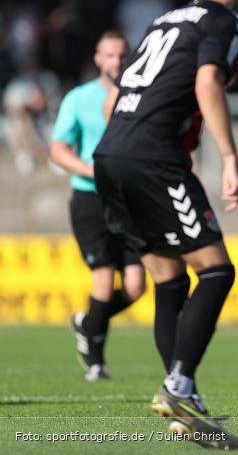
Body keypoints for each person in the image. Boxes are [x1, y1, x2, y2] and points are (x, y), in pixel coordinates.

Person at [93, 0, 238, 450]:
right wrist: (230, 160)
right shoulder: (224, 21)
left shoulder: (164, 19)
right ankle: (179, 385)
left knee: (168, 280)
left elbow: (122, 90)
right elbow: (207, 83)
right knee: (218, 269)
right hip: (152, 157)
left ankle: (184, 404)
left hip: (111, 152)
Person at [50, 30, 146, 382]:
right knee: (103, 279)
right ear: (97, 59)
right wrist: (90, 169)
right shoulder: (78, 98)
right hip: (90, 197)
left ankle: (86, 323)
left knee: (136, 286)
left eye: (122, 55)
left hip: (128, 199)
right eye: (110, 55)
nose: (117, 62)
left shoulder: (140, 96)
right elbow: (59, 149)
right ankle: (96, 361)